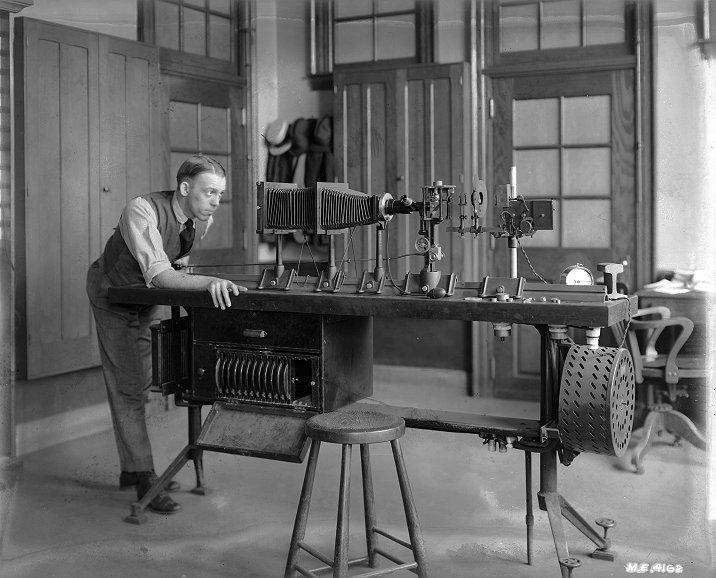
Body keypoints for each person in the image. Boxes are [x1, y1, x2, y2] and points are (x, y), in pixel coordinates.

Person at [86, 154, 245, 515]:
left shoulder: (200, 218)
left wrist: (194, 278)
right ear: (185, 188)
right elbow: (160, 275)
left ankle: (132, 468)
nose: (216, 201)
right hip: (112, 294)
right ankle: (144, 475)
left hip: (143, 298)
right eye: (209, 192)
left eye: (219, 194)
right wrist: (210, 283)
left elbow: (178, 262)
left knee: (141, 383)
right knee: (128, 386)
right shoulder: (140, 209)